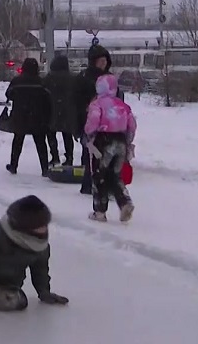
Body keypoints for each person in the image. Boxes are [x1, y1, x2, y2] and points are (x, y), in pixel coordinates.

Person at [84, 74, 137, 223]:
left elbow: (93, 122)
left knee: (99, 175)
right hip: (120, 140)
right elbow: (132, 125)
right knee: (115, 175)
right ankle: (125, 202)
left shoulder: (97, 104)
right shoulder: (122, 105)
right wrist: (127, 141)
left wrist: (88, 132)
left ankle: (100, 211)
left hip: (103, 141)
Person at [74, 45, 124, 194]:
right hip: (89, 121)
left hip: (108, 124)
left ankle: (101, 184)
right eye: (100, 61)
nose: (102, 64)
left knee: (105, 156)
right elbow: (76, 102)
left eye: (104, 61)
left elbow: (119, 100)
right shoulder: (84, 78)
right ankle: (89, 184)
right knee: (90, 154)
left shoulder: (110, 78)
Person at [4, 58, 52, 177]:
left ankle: (13, 165)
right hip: (38, 117)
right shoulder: (41, 82)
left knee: (18, 141)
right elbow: (48, 99)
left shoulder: (17, 81)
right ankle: (45, 168)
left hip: (20, 116)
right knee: (41, 143)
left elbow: (9, 94)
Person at [41, 55, 78, 166]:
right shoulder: (73, 78)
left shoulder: (49, 78)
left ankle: (55, 156)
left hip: (52, 110)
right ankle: (69, 158)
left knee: (51, 134)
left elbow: (43, 93)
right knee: (67, 136)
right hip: (68, 111)